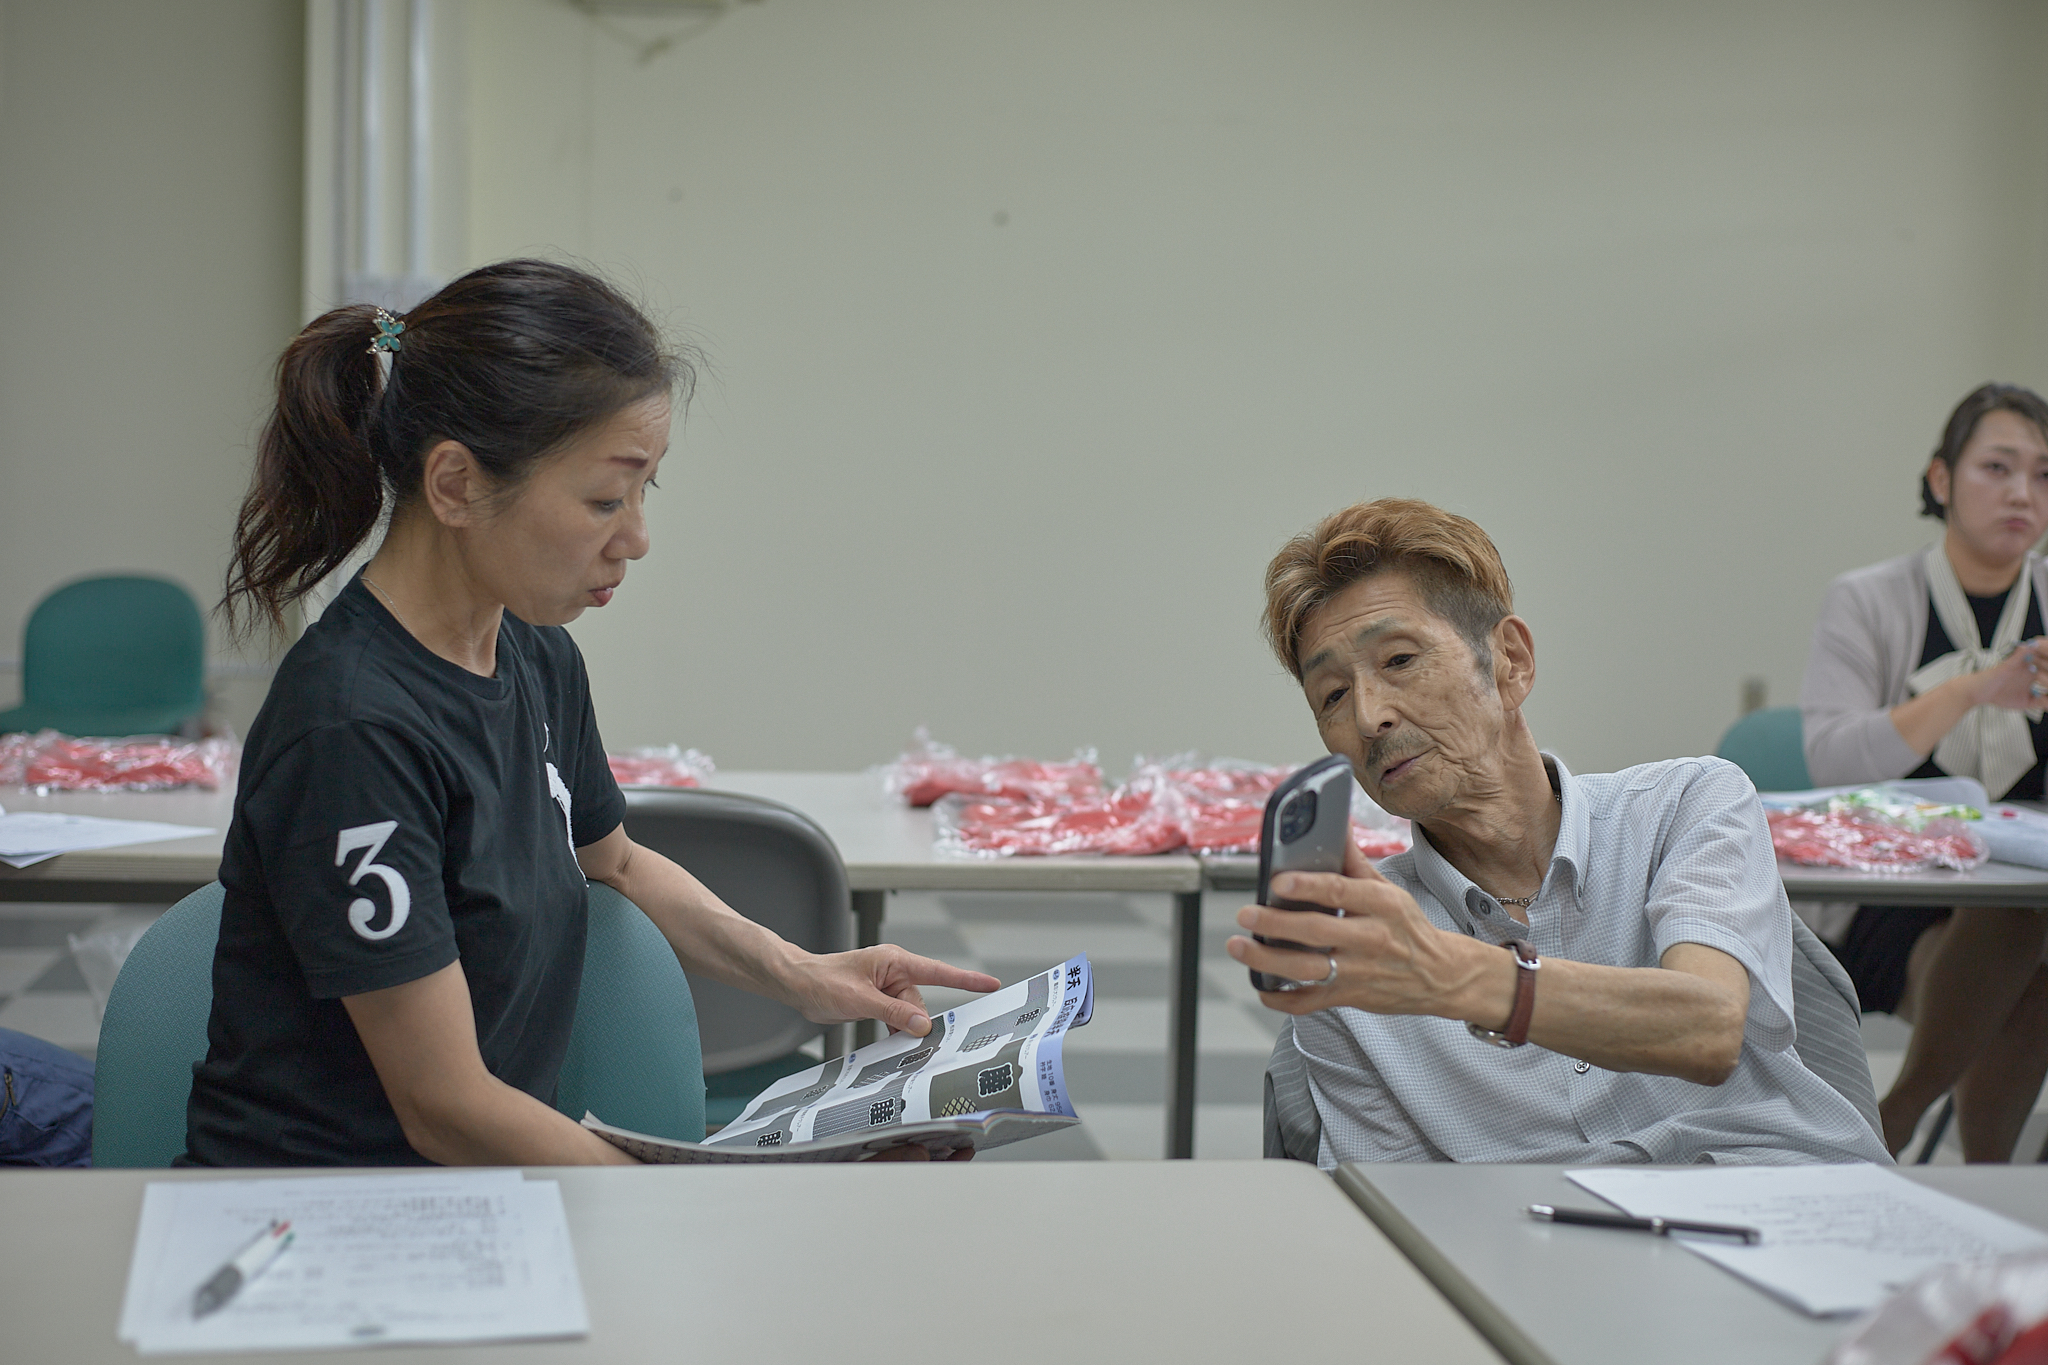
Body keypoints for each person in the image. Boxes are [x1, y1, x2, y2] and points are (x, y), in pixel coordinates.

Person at [186, 260, 997, 1167]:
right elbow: (444, 1106)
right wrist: (691, 1197)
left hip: (474, 1195)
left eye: (646, 491)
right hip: (320, 1219)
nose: (637, 537)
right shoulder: (353, 725)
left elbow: (613, 859)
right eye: (606, 498)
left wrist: (799, 973)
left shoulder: (531, 649)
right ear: (454, 485)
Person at [1227, 497, 1888, 1167]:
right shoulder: (1362, 955)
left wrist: (1450, 973)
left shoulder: (1686, 803)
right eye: (1333, 696)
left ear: (1510, 662)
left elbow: (1707, 1025)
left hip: (1778, 1216)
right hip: (1533, 1254)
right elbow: (1396, 1214)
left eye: (1399, 660)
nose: (1369, 716)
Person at [1800, 382, 2048, 1162]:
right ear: (1941, 481)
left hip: (2029, 902)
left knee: (2032, 924)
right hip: (1895, 895)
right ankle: (1921, 1126)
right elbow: (1833, 764)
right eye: (1998, 467)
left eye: (2044, 474)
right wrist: (1975, 689)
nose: (2022, 492)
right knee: (2025, 924)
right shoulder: (1869, 599)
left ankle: (1955, 1152)